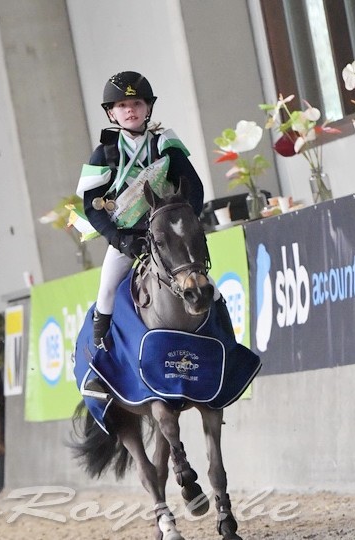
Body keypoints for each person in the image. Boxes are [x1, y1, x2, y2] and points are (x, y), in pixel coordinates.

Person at [76, 71, 207, 396]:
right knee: (106, 292)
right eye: (122, 106)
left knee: (206, 285)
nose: (130, 110)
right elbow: (92, 207)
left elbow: (195, 188)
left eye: (136, 103)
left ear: (148, 107)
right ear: (112, 113)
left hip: (168, 235)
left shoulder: (166, 144)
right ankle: (100, 367)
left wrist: (186, 225)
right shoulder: (104, 153)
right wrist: (118, 239)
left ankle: (225, 348)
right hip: (127, 238)